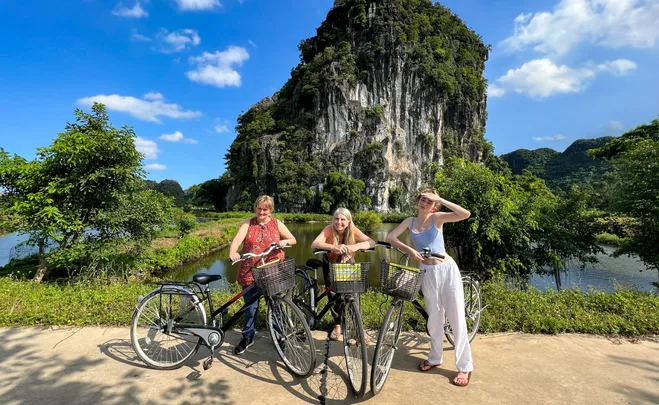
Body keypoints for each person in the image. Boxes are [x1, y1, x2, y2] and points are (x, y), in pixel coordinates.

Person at [385, 188, 473, 387]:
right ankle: (435, 358)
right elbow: (391, 237)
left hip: (446, 270)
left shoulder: (437, 218)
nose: (425, 202)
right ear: (418, 201)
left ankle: (464, 366)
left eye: (429, 200)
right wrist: (410, 251)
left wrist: (440, 198)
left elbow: (465, 214)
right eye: (423, 199)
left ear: (434, 205)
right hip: (427, 272)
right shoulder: (410, 222)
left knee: (456, 317)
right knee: (434, 318)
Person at [229, 195, 296, 355]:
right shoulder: (248, 223)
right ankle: (248, 337)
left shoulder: (276, 223)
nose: (261, 212)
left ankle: (280, 335)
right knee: (250, 307)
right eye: (259, 208)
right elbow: (237, 239)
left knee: (276, 305)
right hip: (250, 269)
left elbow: (293, 239)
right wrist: (233, 251)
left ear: (270, 210)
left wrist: (283, 242)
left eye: (265, 209)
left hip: (271, 269)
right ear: (255, 208)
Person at [311, 207, 375, 341]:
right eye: (336, 219)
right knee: (333, 294)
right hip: (331, 264)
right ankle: (338, 325)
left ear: (349, 221)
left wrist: (355, 247)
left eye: (342, 219)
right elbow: (315, 244)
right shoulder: (329, 229)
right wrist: (334, 247)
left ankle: (358, 327)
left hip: (348, 263)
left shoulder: (352, 230)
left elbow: (371, 242)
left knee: (353, 293)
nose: (339, 222)